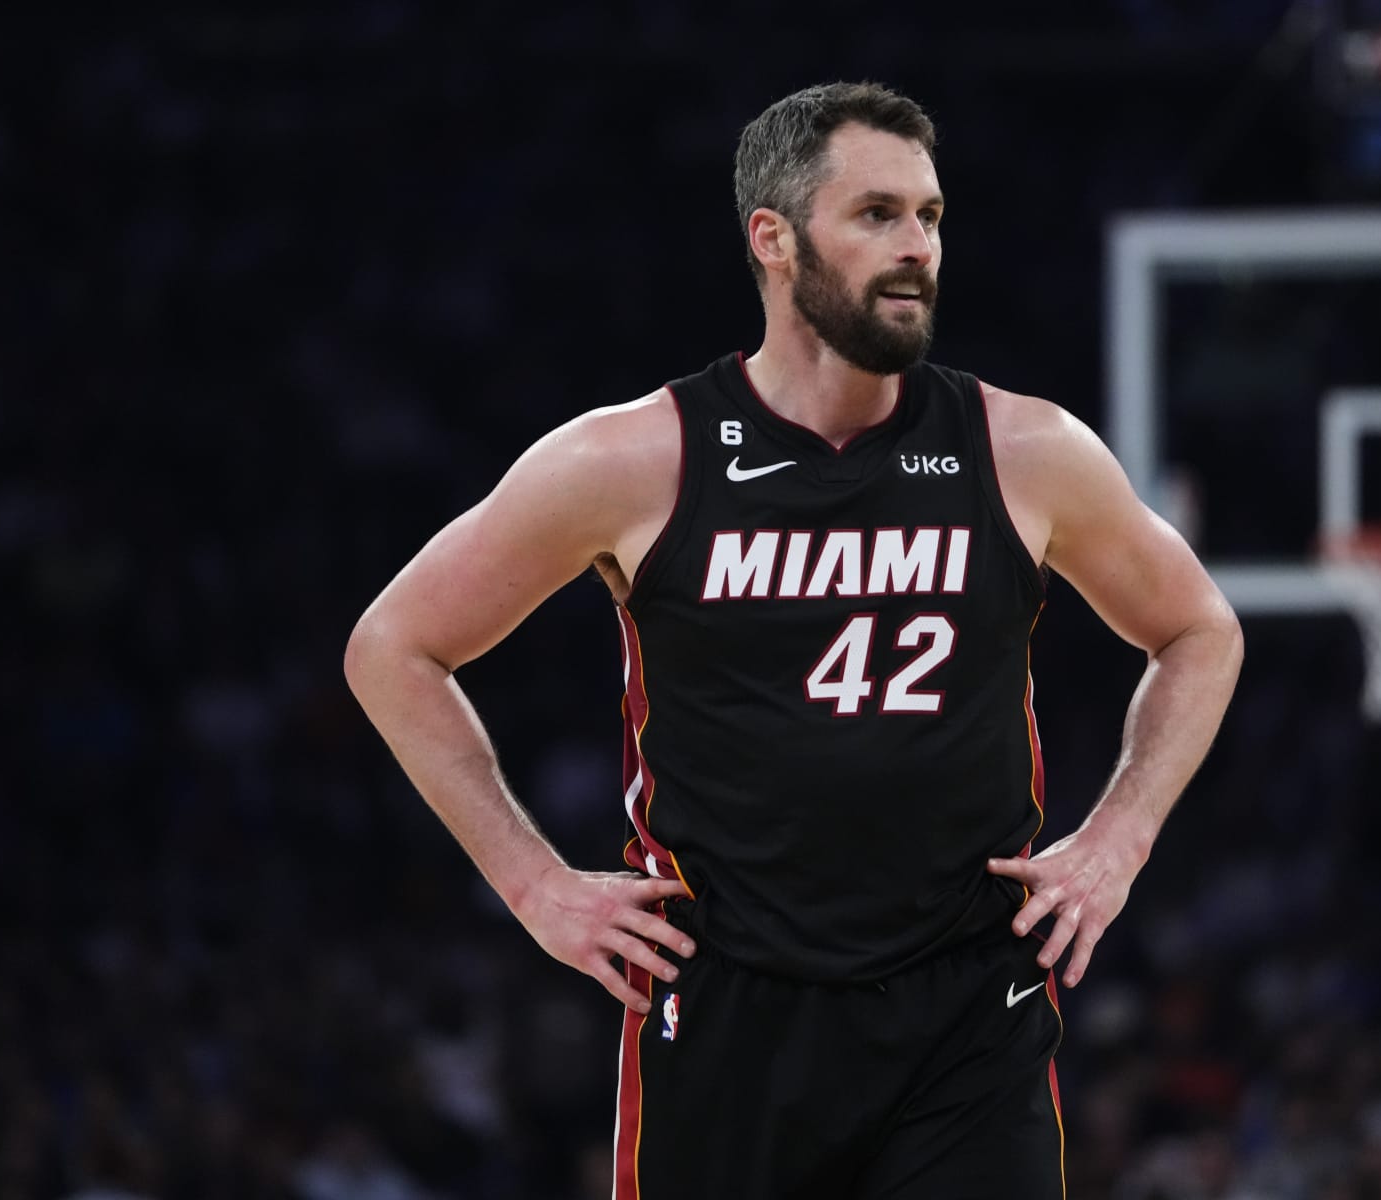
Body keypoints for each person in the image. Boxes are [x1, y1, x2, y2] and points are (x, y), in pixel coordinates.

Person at [345, 81, 1243, 1200]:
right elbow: (395, 648)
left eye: (930, 216)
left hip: (965, 1009)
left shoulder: (1027, 450)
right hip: (729, 1009)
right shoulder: (632, 461)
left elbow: (1198, 629)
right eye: (877, 215)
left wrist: (1121, 838)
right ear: (773, 239)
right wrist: (533, 885)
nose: (916, 246)